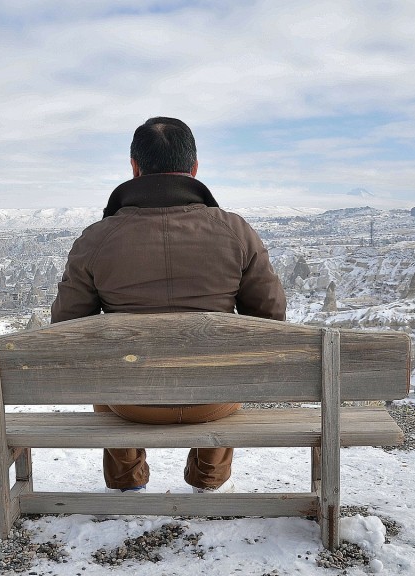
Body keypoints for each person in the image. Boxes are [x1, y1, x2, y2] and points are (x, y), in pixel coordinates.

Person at [50, 117, 287, 493]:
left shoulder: (97, 238)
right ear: (194, 169)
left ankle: (128, 482)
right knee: (227, 366)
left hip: (128, 403)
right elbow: (270, 319)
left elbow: (66, 328)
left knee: (102, 370)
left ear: (134, 168)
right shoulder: (235, 231)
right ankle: (207, 482)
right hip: (215, 400)